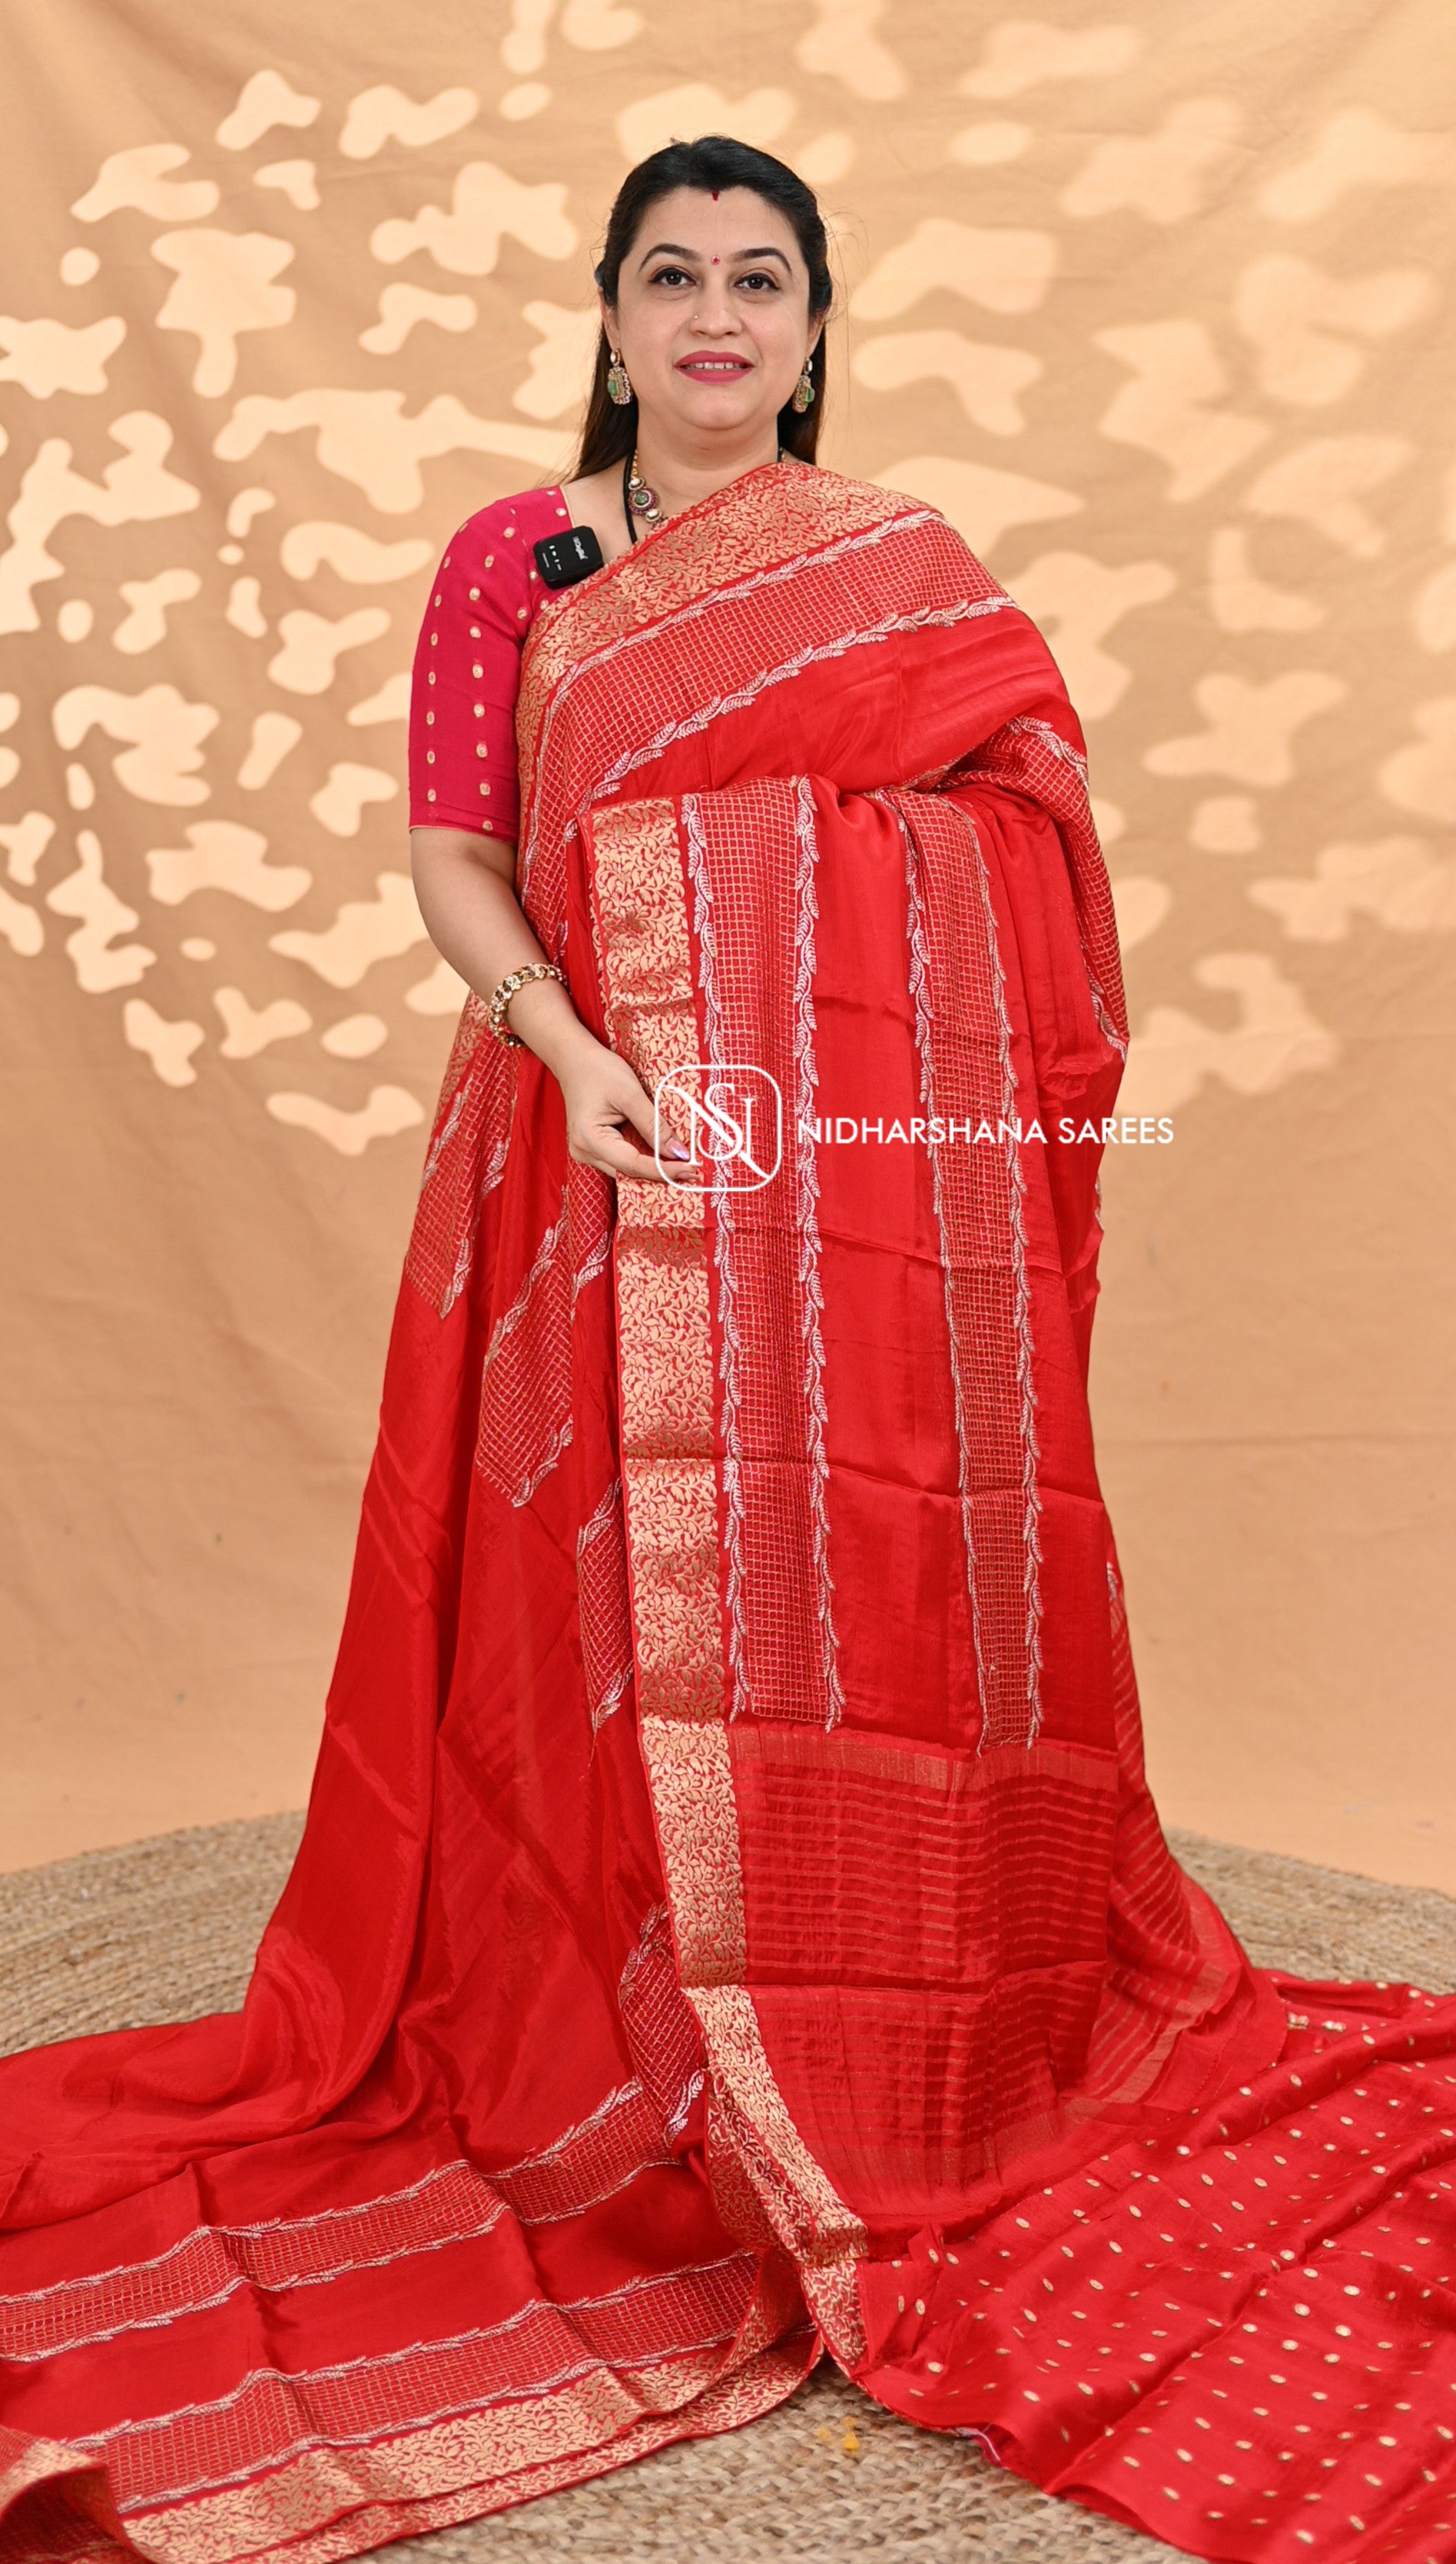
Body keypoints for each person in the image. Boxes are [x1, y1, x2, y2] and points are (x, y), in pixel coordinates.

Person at [0, 133, 1452, 2564]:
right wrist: (572, 1043)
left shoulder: (898, 565)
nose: (711, 315)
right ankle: (614, 2048)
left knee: (825, 1588)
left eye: (756, 279)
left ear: (811, 320)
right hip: (586, 1140)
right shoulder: (520, 559)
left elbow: (1030, 833)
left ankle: (834, 2021)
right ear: (608, 311)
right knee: (575, 1620)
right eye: (669, 274)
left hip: (840, 1204)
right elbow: (457, 847)